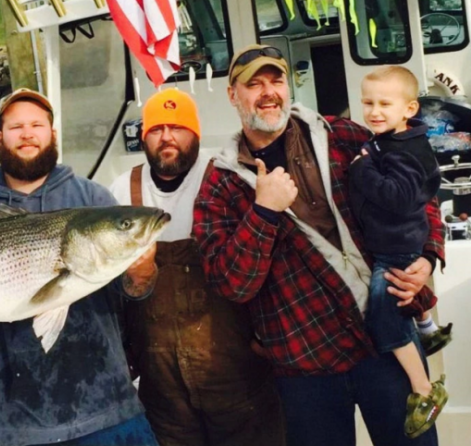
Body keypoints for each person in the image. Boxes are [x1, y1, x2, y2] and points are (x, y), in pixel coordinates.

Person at [192, 45, 445, 446]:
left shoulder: (342, 136)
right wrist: (263, 212)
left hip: (386, 344)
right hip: (305, 364)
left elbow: (420, 192)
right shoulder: (220, 182)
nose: (268, 92)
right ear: (232, 94)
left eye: (276, 80)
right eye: (253, 84)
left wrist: (428, 256)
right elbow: (230, 283)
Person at [0, 88, 160, 446]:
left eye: (37, 124)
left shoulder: (93, 199)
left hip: (105, 404)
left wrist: (143, 272)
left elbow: (133, 291)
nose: (27, 133)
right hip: (12, 420)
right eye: (16, 126)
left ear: (52, 134)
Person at [109, 88, 284, 446]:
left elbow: (259, 259)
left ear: (196, 133)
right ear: (144, 137)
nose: (167, 137)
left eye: (178, 127)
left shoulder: (224, 177)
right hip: (161, 387)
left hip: (236, 376)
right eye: (156, 129)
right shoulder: (121, 191)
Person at [350, 66, 448, 438]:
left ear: (409, 109)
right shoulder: (392, 139)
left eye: (384, 104)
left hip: (396, 253)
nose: (374, 111)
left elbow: (398, 196)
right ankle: (426, 328)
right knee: (395, 311)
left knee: (383, 323)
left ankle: (424, 389)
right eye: (367, 102)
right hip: (394, 248)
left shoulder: (405, 151)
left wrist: (361, 171)